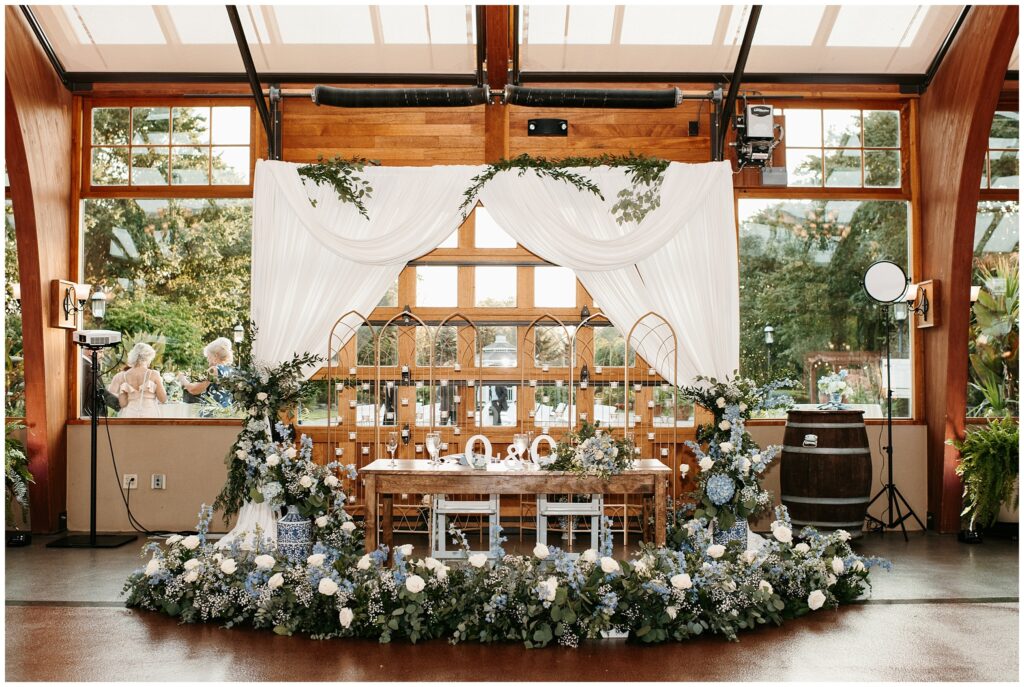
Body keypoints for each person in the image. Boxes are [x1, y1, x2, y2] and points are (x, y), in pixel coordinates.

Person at [106, 343, 167, 418]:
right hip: (150, 414)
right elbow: (163, 399)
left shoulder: (121, 376)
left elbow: (117, 402)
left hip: (128, 415)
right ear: (148, 358)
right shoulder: (153, 374)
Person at [178, 337, 234, 409]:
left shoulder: (213, 370)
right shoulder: (229, 369)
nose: (207, 360)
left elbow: (194, 390)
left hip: (214, 413)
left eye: (208, 356)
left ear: (215, 356)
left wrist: (183, 379)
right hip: (227, 411)